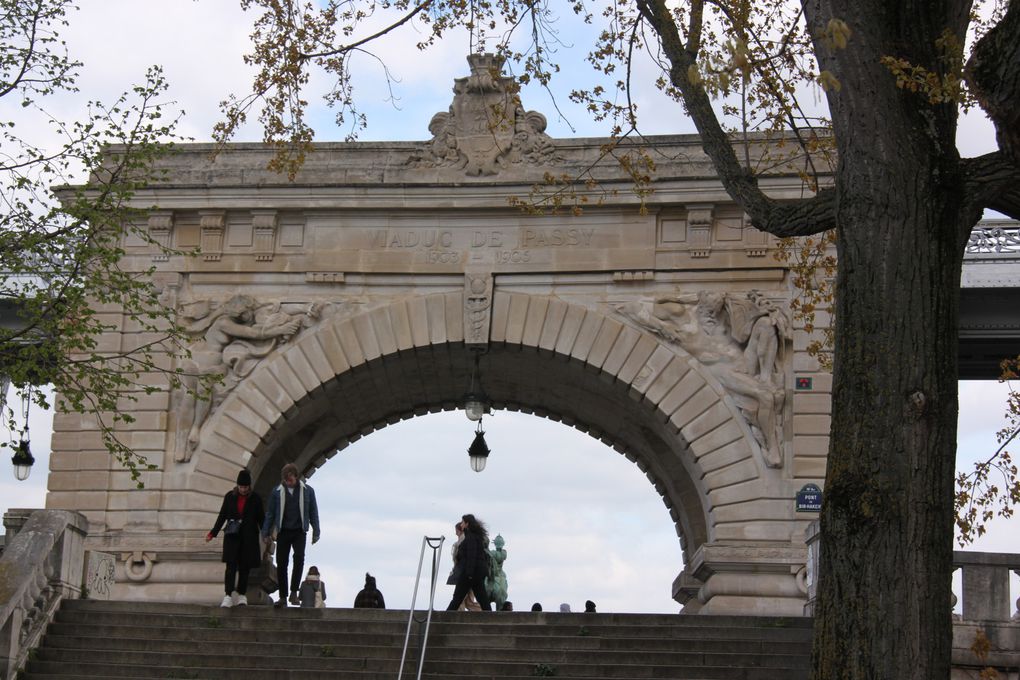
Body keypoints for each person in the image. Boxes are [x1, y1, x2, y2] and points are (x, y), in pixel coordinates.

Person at [262, 462, 321, 608]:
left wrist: (316, 531)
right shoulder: (277, 492)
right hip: (283, 531)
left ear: (296, 477)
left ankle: (294, 592)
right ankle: (283, 596)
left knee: (299, 560)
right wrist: (266, 531)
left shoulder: (308, 491)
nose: (288, 482)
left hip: (299, 531)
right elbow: (270, 513)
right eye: (286, 480)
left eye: (290, 479)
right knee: (282, 564)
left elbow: (313, 512)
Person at [206, 469, 265, 607]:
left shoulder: (255, 498)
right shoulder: (229, 497)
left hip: (248, 538)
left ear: (249, 486)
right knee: (230, 566)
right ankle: (228, 595)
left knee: (245, 567)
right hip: (232, 536)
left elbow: (261, 519)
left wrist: (266, 534)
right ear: (237, 485)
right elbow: (222, 516)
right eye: (241, 487)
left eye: (245, 487)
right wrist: (213, 533)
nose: (243, 489)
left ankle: (242, 594)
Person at [445, 513, 493, 611]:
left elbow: (471, 556)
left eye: (462, 522)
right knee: (481, 597)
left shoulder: (470, 537)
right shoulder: (474, 536)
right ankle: (491, 617)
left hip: (470, 573)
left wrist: (469, 574)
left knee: (458, 597)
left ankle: (445, 617)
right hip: (476, 572)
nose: (461, 524)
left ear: (467, 524)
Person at [448, 521, 481, 611]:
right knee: (469, 602)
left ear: (459, 530)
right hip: (468, 573)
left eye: (456, 530)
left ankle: (458, 617)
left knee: (460, 600)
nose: (455, 532)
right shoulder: (464, 540)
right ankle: (486, 612)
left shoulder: (462, 541)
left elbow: (458, 558)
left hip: (464, 573)